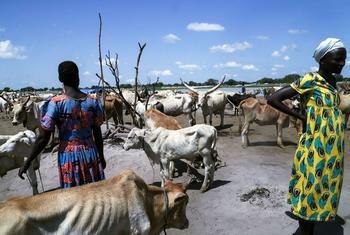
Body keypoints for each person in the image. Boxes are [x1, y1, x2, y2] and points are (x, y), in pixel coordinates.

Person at [267, 38, 347, 235]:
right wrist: (301, 116)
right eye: (337, 59)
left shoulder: (333, 82)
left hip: (333, 149)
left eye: (344, 59)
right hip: (314, 147)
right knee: (309, 191)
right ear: (322, 59)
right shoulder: (310, 79)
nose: (342, 63)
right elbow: (273, 99)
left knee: (325, 188)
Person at [18, 61, 106, 188]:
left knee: (73, 198)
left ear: (60, 79)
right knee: (94, 195)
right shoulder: (93, 101)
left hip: (69, 158)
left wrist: (28, 162)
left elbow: (43, 137)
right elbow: (97, 133)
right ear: (78, 76)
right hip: (91, 154)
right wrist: (101, 156)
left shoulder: (56, 104)